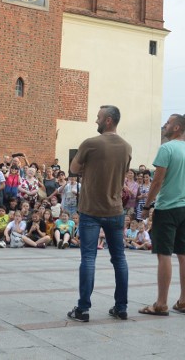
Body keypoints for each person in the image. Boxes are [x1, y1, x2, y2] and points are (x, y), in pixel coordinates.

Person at [67, 105, 132, 323]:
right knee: (119, 259)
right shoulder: (126, 147)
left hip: (91, 210)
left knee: (88, 258)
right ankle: (121, 307)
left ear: (108, 121)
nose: (96, 120)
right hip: (115, 209)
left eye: (98, 117)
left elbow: (74, 169)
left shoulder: (90, 143)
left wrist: (89, 168)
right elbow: (121, 172)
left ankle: (83, 309)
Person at [138, 114, 185, 315]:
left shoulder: (166, 149)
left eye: (167, 123)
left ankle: (161, 303)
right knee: (184, 253)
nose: (164, 125)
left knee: (164, 254)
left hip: (167, 207)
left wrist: (147, 206)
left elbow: (157, 182)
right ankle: (183, 301)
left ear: (175, 128)